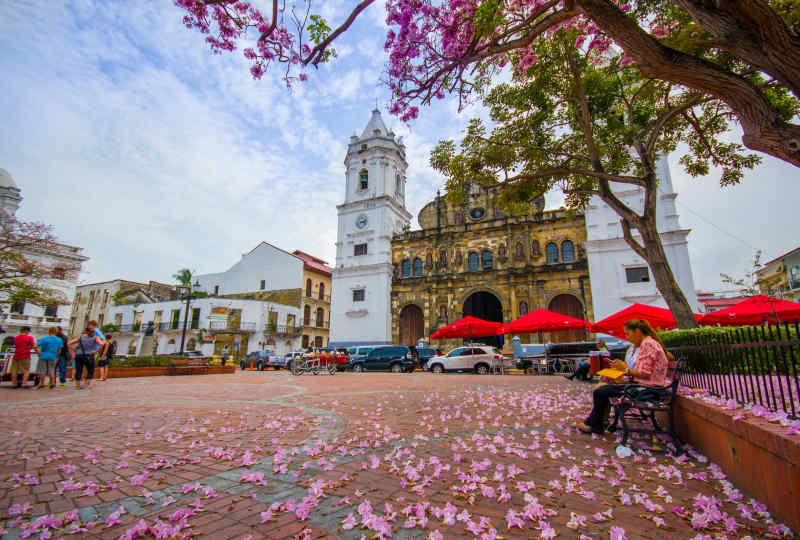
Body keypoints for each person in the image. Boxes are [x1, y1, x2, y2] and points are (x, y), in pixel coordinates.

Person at [575, 320, 669, 434]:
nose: (627, 337)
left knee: (600, 391)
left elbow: (645, 374)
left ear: (638, 331)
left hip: (647, 390)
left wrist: (625, 368)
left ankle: (594, 424)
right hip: (647, 387)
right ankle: (595, 422)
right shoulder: (648, 343)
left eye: (628, 334)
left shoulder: (648, 344)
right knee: (602, 389)